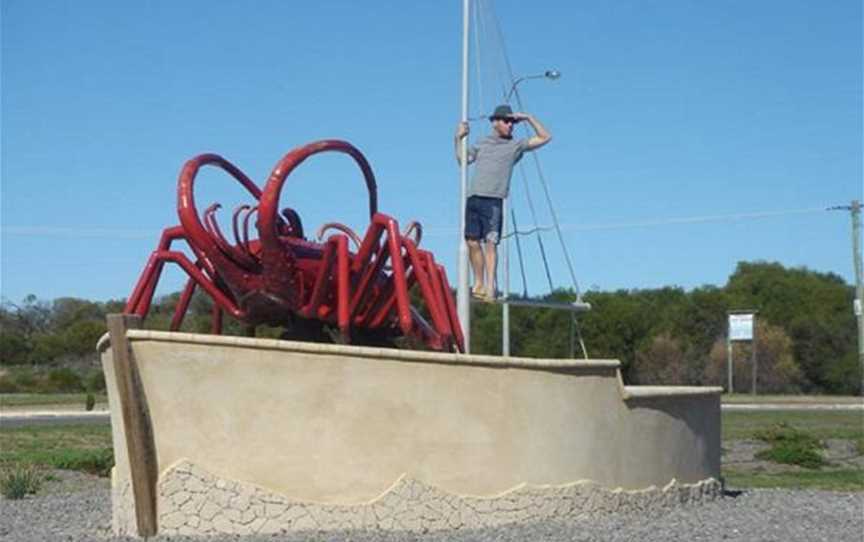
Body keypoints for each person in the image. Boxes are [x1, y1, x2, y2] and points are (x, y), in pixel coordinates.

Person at [455, 104, 551, 301]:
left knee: (491, 242)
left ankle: (491, 286)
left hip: (494, 199)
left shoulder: (515, 146)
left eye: (512, 122)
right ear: (495, 122)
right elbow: (462, 160)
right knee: (472, 242)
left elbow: (545, 137)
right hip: (474, 196)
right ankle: (479, 282)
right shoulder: (482, 143)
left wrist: (528, 117)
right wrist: (458, 138)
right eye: (507, 121)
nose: (510, 125)